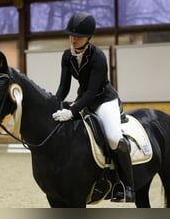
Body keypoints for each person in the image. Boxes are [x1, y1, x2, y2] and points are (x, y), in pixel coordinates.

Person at [52, 11, 135, 202]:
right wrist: (55, 106)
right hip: (84, 99)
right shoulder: (67, 56)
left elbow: (92, 92)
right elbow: (64, 87)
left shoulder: (98, 57)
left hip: (104, 100)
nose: (73, 39)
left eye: (78, 36)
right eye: (71, 35)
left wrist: (72, 110)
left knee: (114, 138)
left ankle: (128, 187)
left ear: (88, 37)